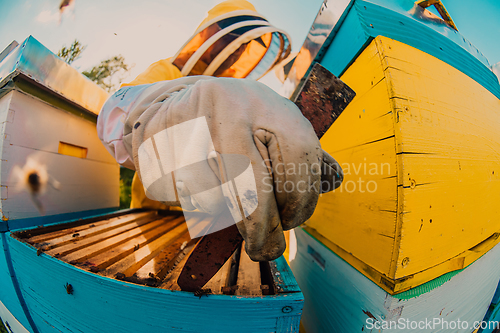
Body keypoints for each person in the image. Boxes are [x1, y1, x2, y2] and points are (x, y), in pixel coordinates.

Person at [97, 0, 343, 261]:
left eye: (245, 48)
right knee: (156, 276)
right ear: (209, 35)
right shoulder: (166, 71)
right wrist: (167, 116)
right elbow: (117, 113)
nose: (236, 53)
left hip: (211, 225)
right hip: (156, 216)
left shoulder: (236, 97)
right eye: (234, 40)